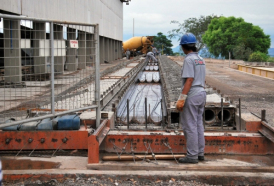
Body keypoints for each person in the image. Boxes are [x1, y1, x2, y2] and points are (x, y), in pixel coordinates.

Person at [176, 33, 206, 164]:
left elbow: (189, 79)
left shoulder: (188, 60)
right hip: (202, 94)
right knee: (198, 124)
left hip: (193, 95)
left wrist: (182, 98)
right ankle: (200, 153)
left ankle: (192, 156)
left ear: (183, 47)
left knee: (190, 126)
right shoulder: (200, 59)